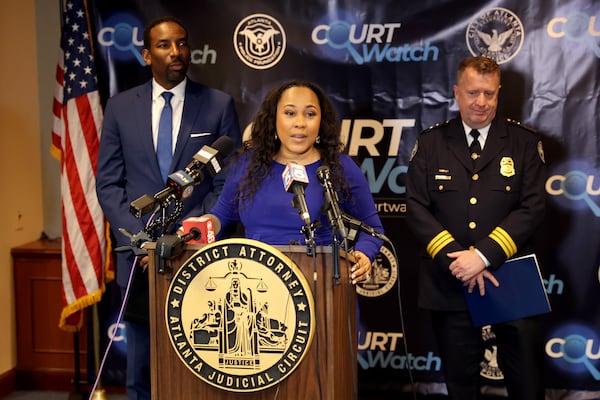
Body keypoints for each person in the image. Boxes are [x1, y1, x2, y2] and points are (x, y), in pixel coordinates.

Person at [95, 16, 242, 400]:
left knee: (201, 362)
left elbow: (228, 182)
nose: (175, 53)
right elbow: (109, 183)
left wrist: (188, 231)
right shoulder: (120, 107)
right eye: (164, 45)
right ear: (146, 55)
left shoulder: (218, 105)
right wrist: (137, 236)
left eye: (181, 43)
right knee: (141, 370)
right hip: (139, 257)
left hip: (196, 251)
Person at [406, 56, 546, 399]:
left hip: (510, 274)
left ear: (498, 92)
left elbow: (533, 207)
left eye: (489, 93)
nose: (481, 102)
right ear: (456, 92)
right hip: (450, 277)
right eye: (472, 93)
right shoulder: (431, 142)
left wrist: (482, 256)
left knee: (527, 380)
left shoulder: (524, 142)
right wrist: (461, 261)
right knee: (461, 384)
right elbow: (416, 206)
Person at [202, 79, 383, 284]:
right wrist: (202, 226)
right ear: (274, 119)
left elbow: (373, 230)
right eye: (290, 113)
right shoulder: (247, 164)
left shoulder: (340, 167)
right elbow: (221, 216)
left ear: (321, 121)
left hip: (323, 287)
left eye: (310, 114)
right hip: (257, 287)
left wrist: (364, 255)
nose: (300, 123)